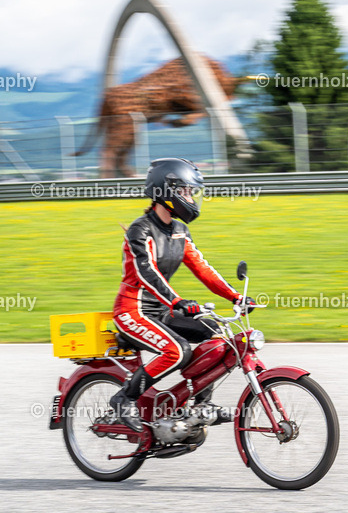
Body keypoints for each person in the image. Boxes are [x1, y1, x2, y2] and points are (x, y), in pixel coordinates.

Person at [109, 157, 255, 431]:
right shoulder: (141, 230)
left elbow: (202, 268)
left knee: (217, 337)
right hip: (133, 312)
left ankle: (200, 403)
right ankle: (124, 398)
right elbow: (146, 272)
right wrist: (177, 301)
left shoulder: (179, 230)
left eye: (190, 192)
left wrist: (235, 297)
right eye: (185, 190)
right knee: (176, 351)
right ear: (167, 190)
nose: (190, 197)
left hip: (161, 312)